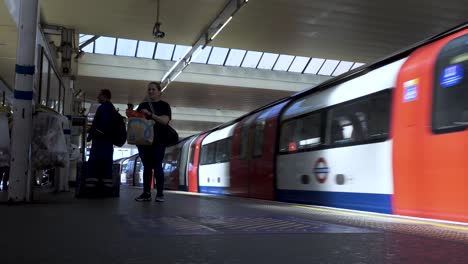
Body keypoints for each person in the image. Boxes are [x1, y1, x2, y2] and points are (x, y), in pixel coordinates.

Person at [134, 81, 171, 202]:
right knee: (147, 167)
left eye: (153, 89)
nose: (150, 91)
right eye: (149, 89)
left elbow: (165, 121)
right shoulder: (142, 105)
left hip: (159, 140)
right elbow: (137, 123)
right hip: (144, 141)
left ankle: (160, 194)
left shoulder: (165, 106)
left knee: (157, 166)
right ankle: (146, 193)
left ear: (160, 92)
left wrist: (150, 115)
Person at [87, 89, 116, 196]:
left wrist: (92, 133)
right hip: (108, 143)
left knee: (95, 163)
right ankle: (106, 188)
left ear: (104, 96)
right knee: (107, 164)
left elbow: (102, 126)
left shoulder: (104, 108)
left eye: (99, 95)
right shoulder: (112, 108)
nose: (97, 97)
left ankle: (92, 189)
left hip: (100, 142)